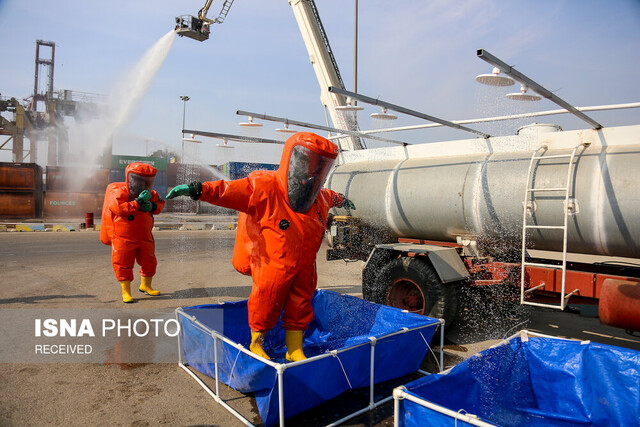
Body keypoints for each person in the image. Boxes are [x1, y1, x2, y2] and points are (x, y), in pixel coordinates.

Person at [167, 132, 355, 361]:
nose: (312, 174)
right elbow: (227, 190)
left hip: (305, 266)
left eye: (320, 167)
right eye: (308, 164)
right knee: (267, 297)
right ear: (292, 160)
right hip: (272, 263)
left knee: (302, 301)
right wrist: (198, 189)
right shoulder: (263, 187)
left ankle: (294, 348)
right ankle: (257, 343)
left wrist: (342, 199)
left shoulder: (320, 199)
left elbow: (330, 195)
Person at [100, 162, 165, 303]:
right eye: (140, 180)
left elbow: (160, 204)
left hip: (144, 237)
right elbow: (118, 209)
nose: (144, 184)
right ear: (131, 179)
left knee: (149, 262)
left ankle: (146, 285)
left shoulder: (152, 194)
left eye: (148, 181)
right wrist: (137, 202)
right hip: (123, 237)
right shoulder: (120, 192)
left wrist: (152, 206)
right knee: (123, 264)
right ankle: (126, 292)